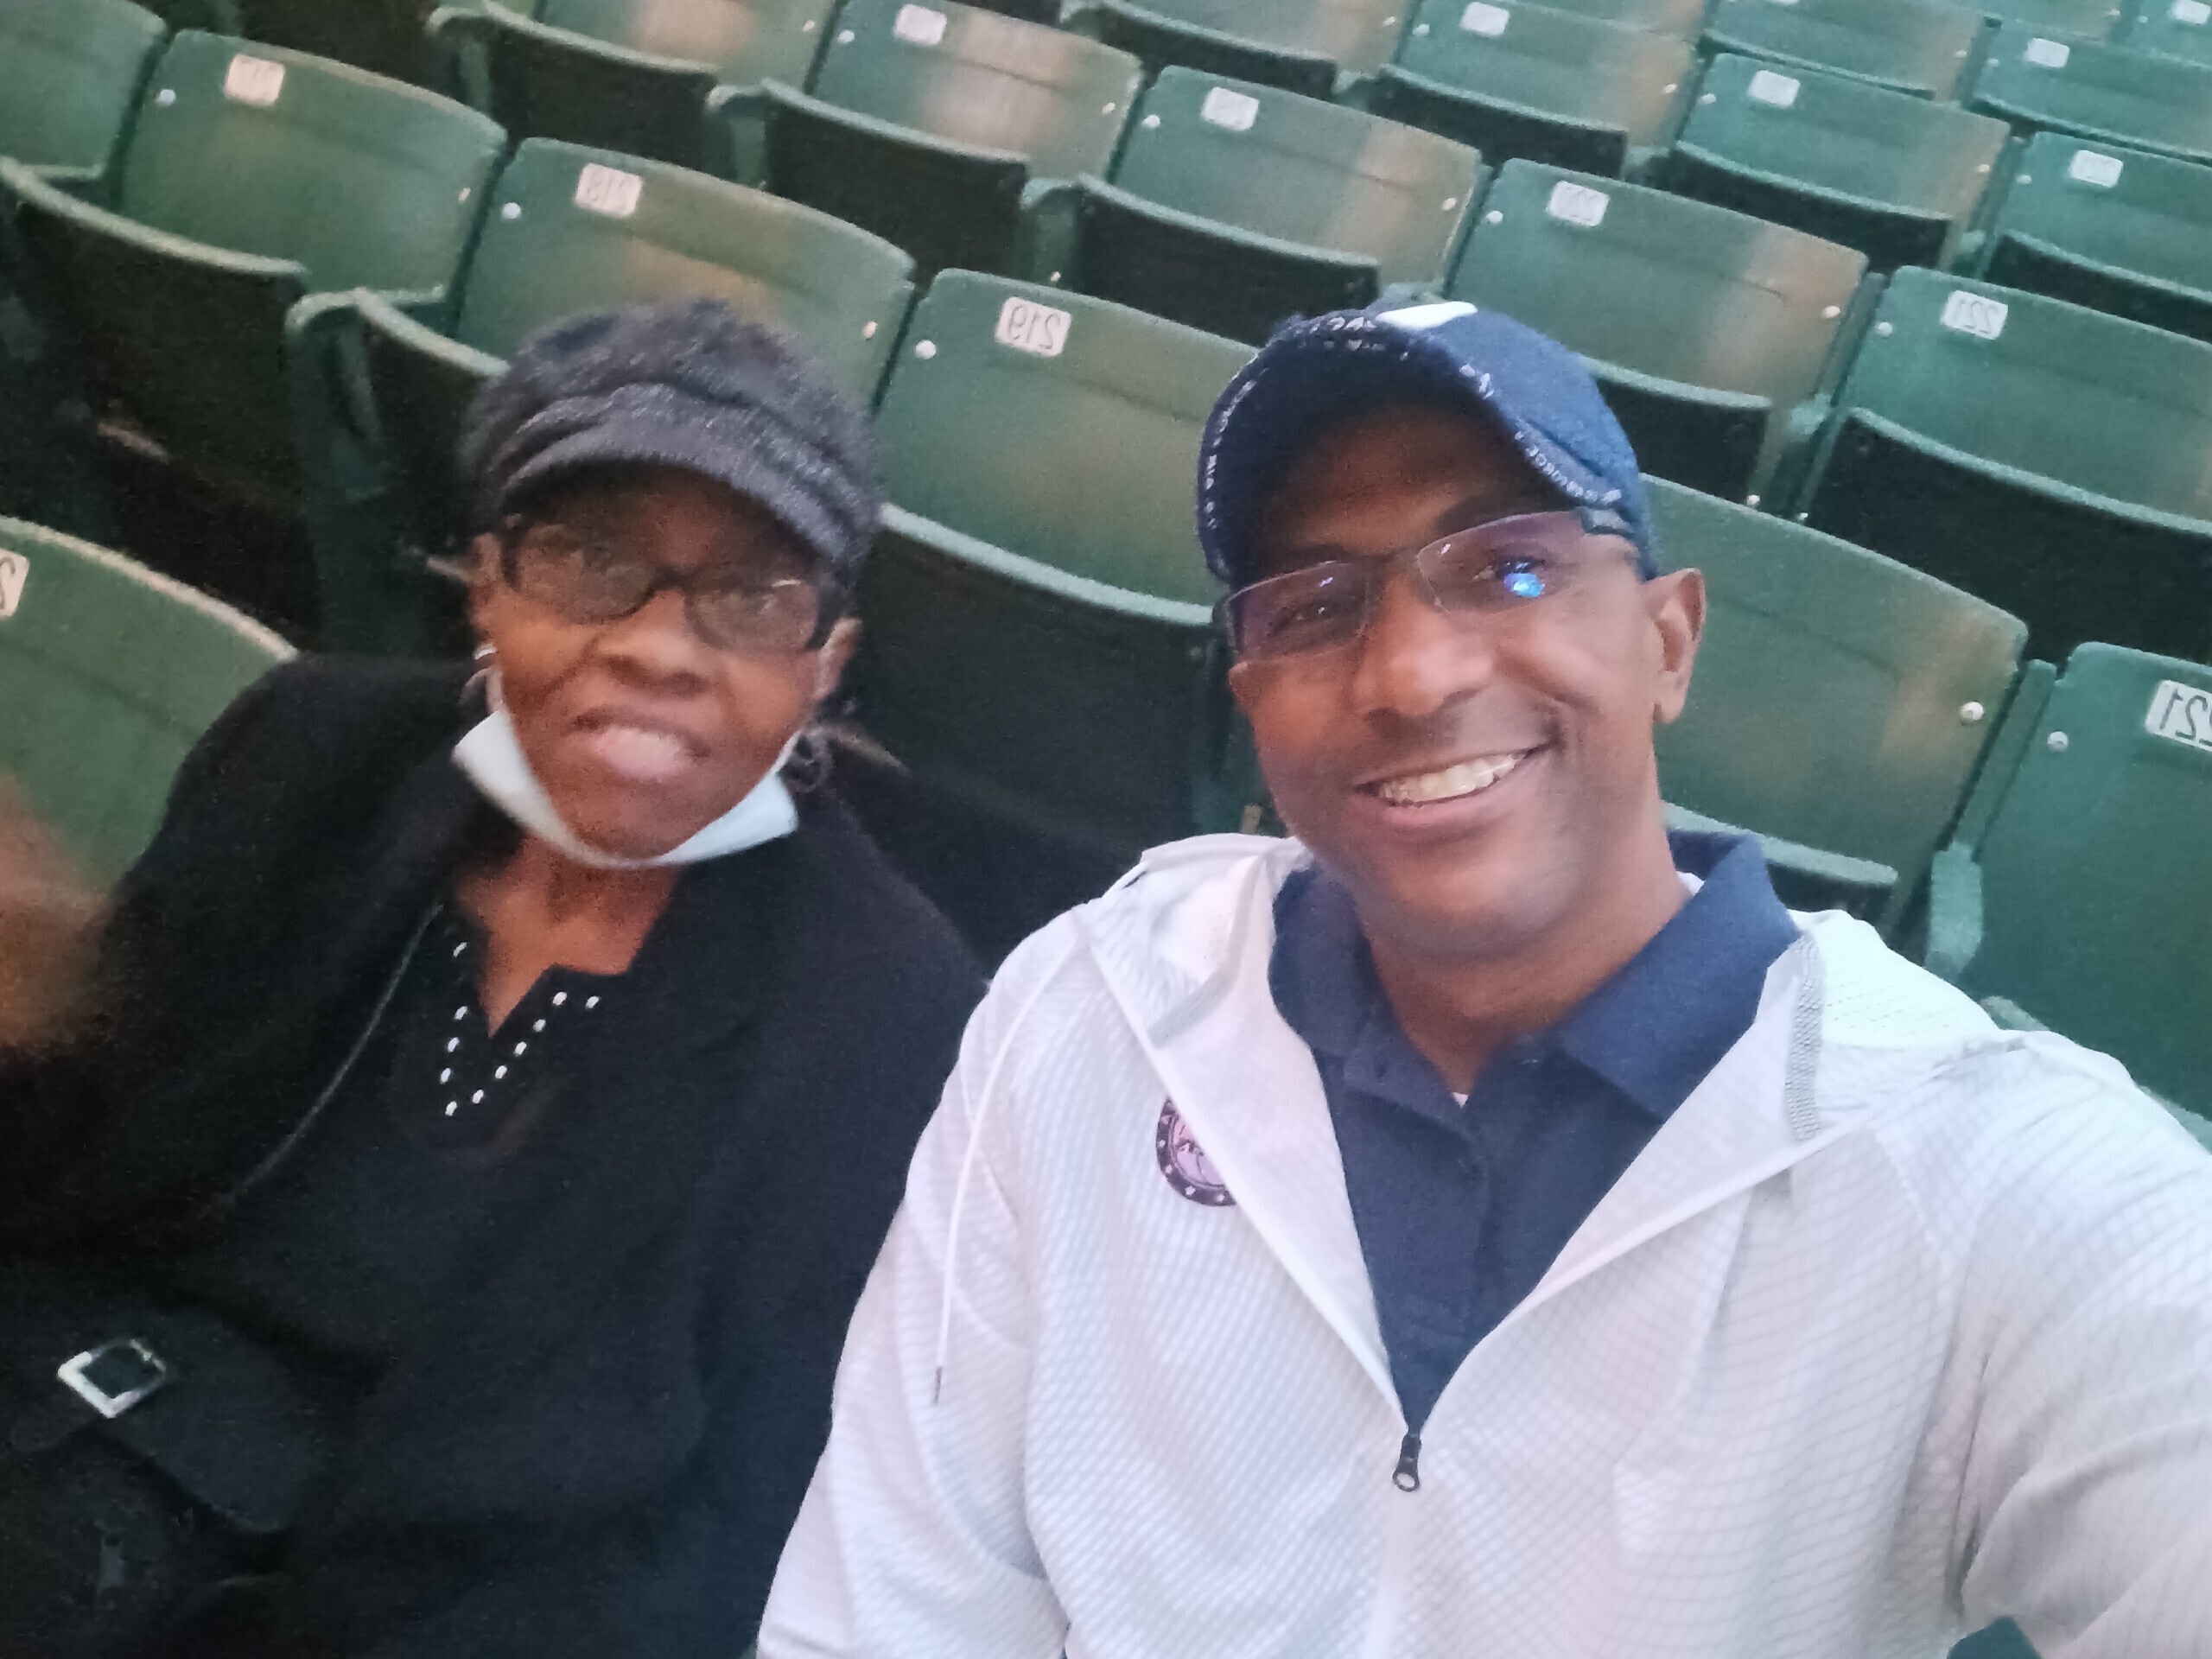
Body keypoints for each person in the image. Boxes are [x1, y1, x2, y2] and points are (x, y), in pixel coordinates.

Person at [758, 302, 2212, 1657]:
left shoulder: (1981, 1170)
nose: (1411, 675)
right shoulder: (1087, 1008)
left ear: (1668, 641)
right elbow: (892, 1603)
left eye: (1510, 567)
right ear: (1250, 698)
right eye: (1314, 606)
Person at [0, 299, 982, 1658]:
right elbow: (80, 1166)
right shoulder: (313, 756)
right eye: (590, 560)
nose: (658, 644)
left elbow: (750, 1516)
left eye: (751, 596)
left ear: (824, 668)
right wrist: (36, 1017)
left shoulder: (878, 1008)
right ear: (487, 586)